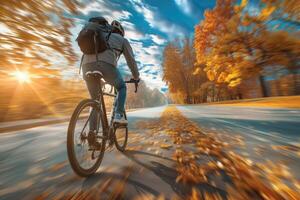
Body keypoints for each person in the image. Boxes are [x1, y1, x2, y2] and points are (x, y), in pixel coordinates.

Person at [82, 17, 140, 125]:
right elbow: (131, 61)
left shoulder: (99, 35)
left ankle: (92, 137)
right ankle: (118, 115)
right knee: (122, 87)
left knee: (95, 101)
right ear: (121, 33)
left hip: (85, 66)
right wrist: (136, 77)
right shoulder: (122, 40)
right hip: (105, 66)